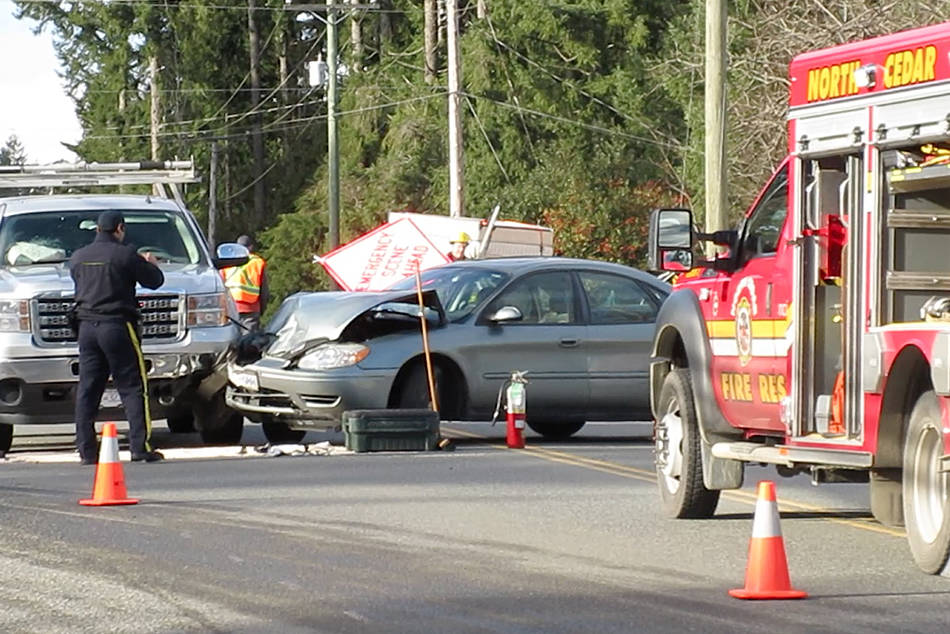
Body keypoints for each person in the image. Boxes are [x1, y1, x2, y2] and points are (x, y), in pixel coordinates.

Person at [69, 210, 165, 464]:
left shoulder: (78, 257)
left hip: (86, 328)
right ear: (120, 229)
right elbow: (154, 281)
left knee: (88, 389)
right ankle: (140, 447)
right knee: (132, 386)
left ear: (97, 230)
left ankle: (86, 451)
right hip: (117, 326)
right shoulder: (125, 255)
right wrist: (151, 263)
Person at [220, 235, 269, 332]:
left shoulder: (227, 261)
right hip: (251, 309)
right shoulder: (257, 262)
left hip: (231, 308)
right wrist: (261, 309)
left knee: (231, 337)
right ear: (251, 247)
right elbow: (264, 291)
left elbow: (220, 285)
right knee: (249, 338)